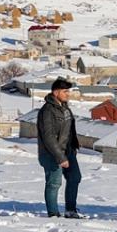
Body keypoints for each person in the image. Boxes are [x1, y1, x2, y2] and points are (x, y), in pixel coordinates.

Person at [37, 78, 83, 219]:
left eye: (68, 91)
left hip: (68, 151)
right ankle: (53, 213)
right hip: (52, 153)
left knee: (75, 177)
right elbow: (48, 137)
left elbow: (69, 129)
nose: (68, 94)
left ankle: (70, 210)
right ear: (56, 92)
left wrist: (74, 145)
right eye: (65, 91)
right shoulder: (47, 111)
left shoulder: (65, 108)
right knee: (54, 183)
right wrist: (60, 157)